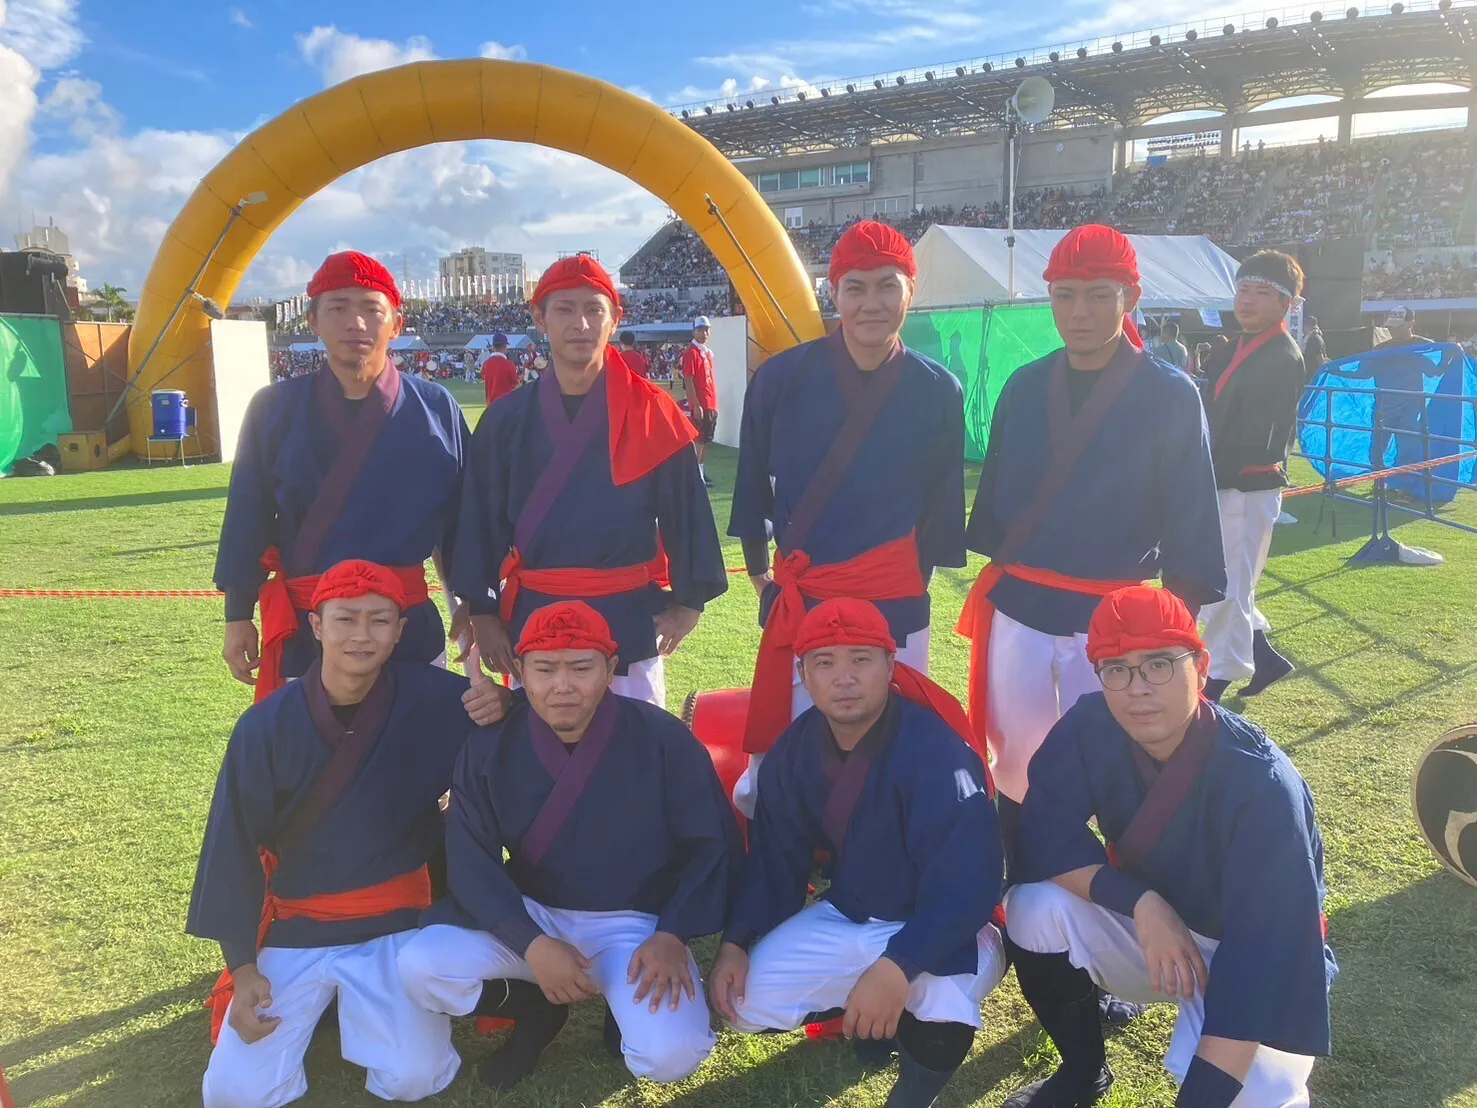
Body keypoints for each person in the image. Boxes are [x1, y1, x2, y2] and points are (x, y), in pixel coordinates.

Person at [1000, 586, 1336, 1108]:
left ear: (1200, 668)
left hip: (1250, 954)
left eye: (1158, 664)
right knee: (1033, 908)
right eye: (1116, 669)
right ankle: (1084, 1072)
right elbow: (1043, 830)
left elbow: (1263, 958)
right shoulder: (1092, 723)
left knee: (1257, 1097)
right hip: (1151, 933)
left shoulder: (1264, 784)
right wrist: (1140, 902)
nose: (1137, 689)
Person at [396, 602, 742, 1090]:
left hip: (635, 926)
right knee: (421, 965)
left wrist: (673, 934)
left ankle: (621, 1006)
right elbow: (471, 859)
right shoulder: (490, 745)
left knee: (670, 1056)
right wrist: (531, 943)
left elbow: (710, 845)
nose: (563, 685)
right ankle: (533, 1008)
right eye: (545, 669)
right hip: (535, 912)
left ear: (610, 668)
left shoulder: (663, 737)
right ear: (520, 672)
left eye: (581, 668)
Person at [188, 560, 490, 1108]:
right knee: (235, 1094)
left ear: (400, 630)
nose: (361, 635)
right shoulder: (265, 726)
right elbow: (233, 844)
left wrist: (503, 704)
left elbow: (523, 736)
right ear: (316, 625)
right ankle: (334, 1007)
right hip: (297, 926)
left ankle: (361, 1012)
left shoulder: (439, 699)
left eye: (379, 620)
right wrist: (243, 967)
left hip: (396, 922)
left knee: (414, 1078)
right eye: (345, 618)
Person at [960, 224, 1225, 807]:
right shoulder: (1023, 386)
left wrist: (1175, 615)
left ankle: (1112, 857)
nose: (1079, 312)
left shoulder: (1172, 394)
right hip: (1022, 605)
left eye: (1100, 295)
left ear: (1131, 297)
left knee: (1115, 763)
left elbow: (1192, 509)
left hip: (1114, 616)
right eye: (1065, 295)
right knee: (1015, 760)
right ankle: (1019, 855)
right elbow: (999, 500)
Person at [712, 598, 1005, 1108]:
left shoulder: (937, 752)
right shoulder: (794, 751)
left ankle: (911, 1090)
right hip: (856, 909)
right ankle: (881, 1011)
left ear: (890, 666)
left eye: (861, 659)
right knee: (745, 1003)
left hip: (950, 924)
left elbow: (971, 882)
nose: (844, 678)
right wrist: (736, 940)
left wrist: (899, 965)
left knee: (941, 998)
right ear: (803, 674)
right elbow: (775, 861)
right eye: (824, 662)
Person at [729, 220, 966, 816]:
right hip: (803, 593)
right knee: (793, 750)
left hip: (896, 596)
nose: (871, 303)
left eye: (887, 286)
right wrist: (760, 576)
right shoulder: (781, 378)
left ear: (910, 291)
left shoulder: (938, 389)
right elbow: (752, 481)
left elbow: (941, 503)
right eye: (855, 288)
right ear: (833, 293)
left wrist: (912, 582)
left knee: (890, 749)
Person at [453, 255, 727, 708]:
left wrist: (689, 602)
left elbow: (686, 511)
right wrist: (483, 612)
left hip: (627, 617)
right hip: (535, 617)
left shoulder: (653, 410)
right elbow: (479, 520)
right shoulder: (505, 419)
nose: (580, 323)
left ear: (614, 318)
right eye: (564, 309)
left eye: (594, 310)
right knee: (538, 744)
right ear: (540, 318)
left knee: (632, 742)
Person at [215, 251, 472, 702]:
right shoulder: (273, 408)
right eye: (338, 308)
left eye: (371, 309)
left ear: (396, 323)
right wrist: (238, 614)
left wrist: (475, 604)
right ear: (313, 320)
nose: (355, 322)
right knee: (312, 743)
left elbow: (463, 521)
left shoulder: (435, 407)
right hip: (310, 623)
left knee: (416, 740)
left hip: (406, 622)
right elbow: (247, 515)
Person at [1197, 252, 1307, 702]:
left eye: (1262, 292)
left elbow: (1256, 439)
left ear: (1285, 304)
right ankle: (1265, 658)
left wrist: (1201, 473)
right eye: (1243, 289)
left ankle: (1216, 683)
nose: (1247, 300)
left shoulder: (1282, 356)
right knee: (1228, 580)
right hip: (1223, 482)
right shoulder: (1234, 347)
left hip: (1244, 486)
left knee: (1226, 585)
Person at [1370, 304, 1435, 503]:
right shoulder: (1382, 348)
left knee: (1409, 447)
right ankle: (1380, 482)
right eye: (1391, 326)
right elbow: (1365, 371)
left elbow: (1435, 370)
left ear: (1410, 323)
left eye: (1397, 326)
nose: (1393, 330)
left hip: (1410, 408)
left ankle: (1407, 489)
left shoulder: (1425, 346)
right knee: (1377, 448)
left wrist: (1452, 352)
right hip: (1384, 406)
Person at [681, 316, 719, 488]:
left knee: (706, 441)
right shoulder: (691, 353)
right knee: (698, 441)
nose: (704, 333)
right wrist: (696, 405)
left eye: (706, 330)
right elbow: (688, 380)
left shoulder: (706, 353)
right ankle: (695, 476)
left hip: (710, 403)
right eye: (700, 330)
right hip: (701, 404)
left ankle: (700, 474)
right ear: (694, 331)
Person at [481, 332, 520, 407]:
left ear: (493, 347)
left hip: (491, 406)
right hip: (506, 406)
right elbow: (516, 384)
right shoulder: (509, 364)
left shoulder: (486, 364)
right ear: (505, 347)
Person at [1300, 316, 1327, 381]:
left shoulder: (1314, 339)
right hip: (1311, 371)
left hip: (1313, 372)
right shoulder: (1312, 337)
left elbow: (1319, 356)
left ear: (1308, 326)